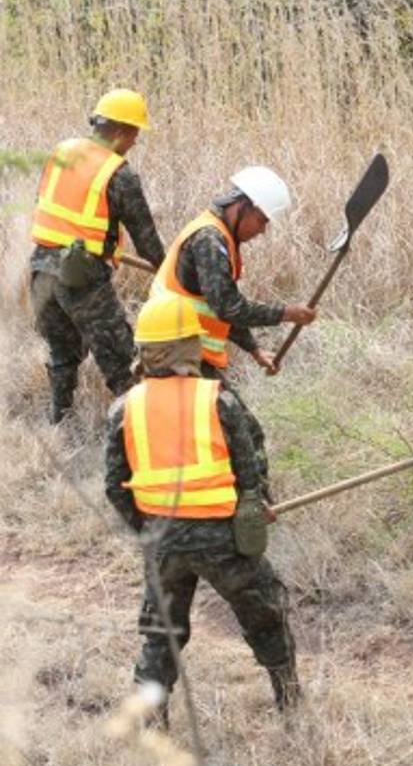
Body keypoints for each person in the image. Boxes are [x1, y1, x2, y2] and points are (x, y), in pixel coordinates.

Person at [104, 296, 300, 727]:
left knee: (161, 637)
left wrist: (147, 530)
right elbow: (248, 470)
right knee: (266, 616)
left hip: (163, 542)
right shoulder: (219, 400)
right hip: (223, 540)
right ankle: (291, 706)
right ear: (190, 348)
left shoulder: (123, 409)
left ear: (145, 350)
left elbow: (114, 487)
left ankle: (154, 729)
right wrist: (256, 504)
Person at [149, 165, 316, 494]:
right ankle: (255, 509)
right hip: (179, 353)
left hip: (180, 349)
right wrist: (286, 313)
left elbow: (218, 305)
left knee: (211, 436)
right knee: (245, 433)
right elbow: (228, 307)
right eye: (262, 220)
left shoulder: (218, 235)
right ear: (244, 206)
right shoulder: (210, 240)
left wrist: (253, 350)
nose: (263, 230)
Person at [29, 88, 166, 423]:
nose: (135, 141)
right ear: (120, 131)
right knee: (122, 362)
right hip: (82, 278)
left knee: (63, 354)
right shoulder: (119, 174)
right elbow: (147, 240)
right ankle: (139, 431)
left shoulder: (63, 151)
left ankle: (59, 421)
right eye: (135, 133)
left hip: (40, 269)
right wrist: (170, 271)